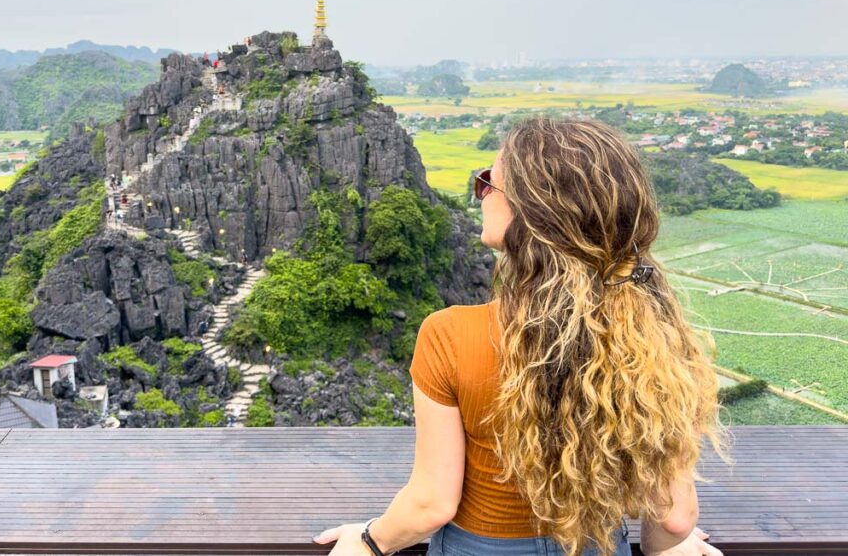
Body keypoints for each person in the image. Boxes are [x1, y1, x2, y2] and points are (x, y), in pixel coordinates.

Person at [313, 117, 730, 556]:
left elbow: (431, 504)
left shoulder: (450, 335)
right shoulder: (654, 331)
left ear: (530, 211)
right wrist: (668, 549)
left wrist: (367, 541)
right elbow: (674, 516)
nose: (482, 195)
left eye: (488, 182)